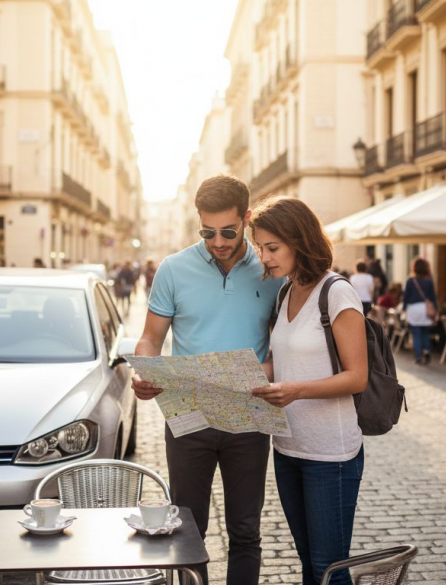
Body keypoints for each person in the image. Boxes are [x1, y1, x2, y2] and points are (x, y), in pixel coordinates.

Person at [131, 174, 284, 585]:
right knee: (186, 531)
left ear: (247, 219)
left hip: (249, 416)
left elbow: (284, 346)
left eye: (229, 231)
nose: (218, 241)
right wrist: (145, 370)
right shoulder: (173, 269)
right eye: (207, 231)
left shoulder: (272, 272)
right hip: (187, 416)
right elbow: (150, 338)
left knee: (246, 531)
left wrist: (265, 375)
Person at [249, 197, 367, 585]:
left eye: (272, 248)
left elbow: (357, 377)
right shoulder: (285, 293)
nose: (264, 257)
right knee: (307, 563)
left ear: (299, 241)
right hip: (288, 449)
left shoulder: (337, 292)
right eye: (261, 248)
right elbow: (278, 365)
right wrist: (239, 377)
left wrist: (297, 390)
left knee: (328, 568)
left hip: (330, 454)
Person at [405, 258, 438, 365]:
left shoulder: (410, 281)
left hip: (414, 308)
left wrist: (404, 309)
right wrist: (436, 311)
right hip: (426, 308)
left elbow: (406, 297)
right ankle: (427, 351)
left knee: (416, 333)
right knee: (425, 332)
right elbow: (433, 297)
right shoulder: (429, 281)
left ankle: (418, 357)